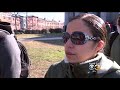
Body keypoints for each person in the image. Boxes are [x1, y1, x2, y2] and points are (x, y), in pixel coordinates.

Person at [44, 13, 120, 78]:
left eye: (77, 38)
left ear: (99, 45)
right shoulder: (54, 71)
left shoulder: (113, 75)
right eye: (66, 37)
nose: (67, 44)